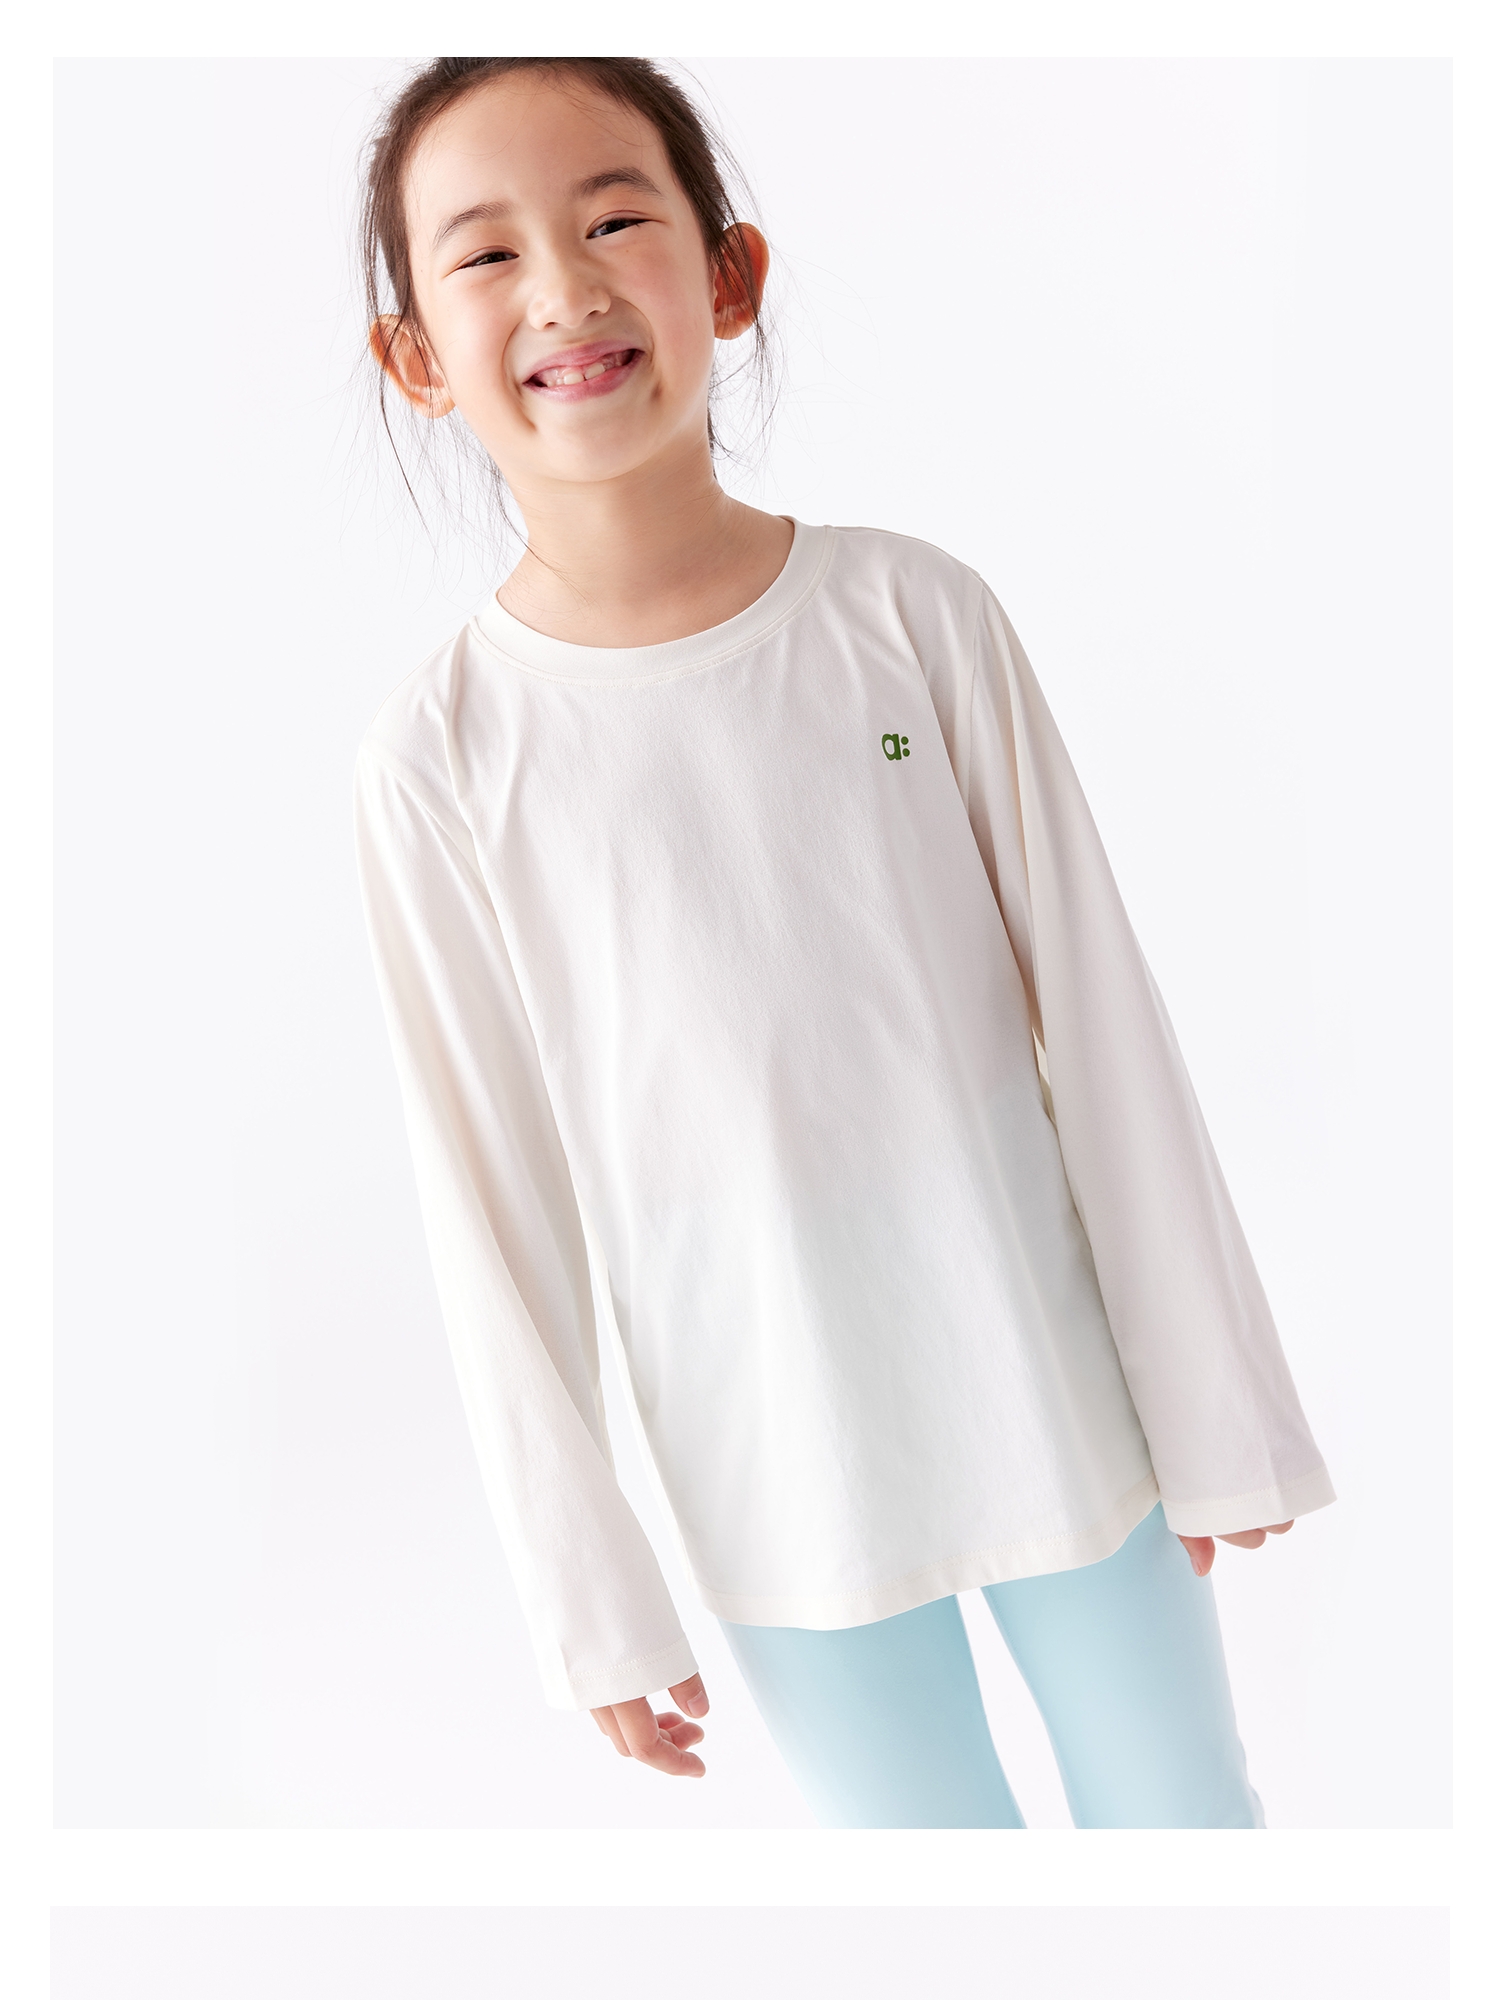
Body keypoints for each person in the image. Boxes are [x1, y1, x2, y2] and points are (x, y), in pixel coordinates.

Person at [351, 56, 1334, 1829]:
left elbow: (1102, 1019)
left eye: (614, 220)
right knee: (933, 1892)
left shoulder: (909, 615)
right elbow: (489, 1199)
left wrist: (1213, 1406)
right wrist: (593, 1600)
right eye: (485, 254)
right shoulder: (445, 757)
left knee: (1188, 1825)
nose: (564, 289)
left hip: (1059, 1399)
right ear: (417, 356)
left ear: (728, 273)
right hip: (773, 1472)